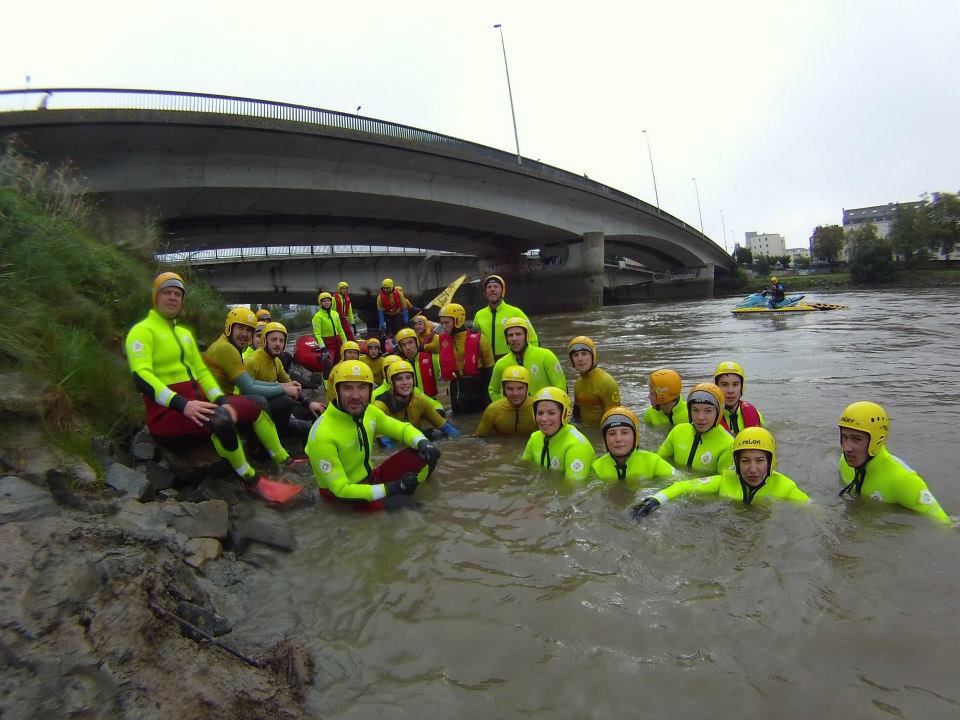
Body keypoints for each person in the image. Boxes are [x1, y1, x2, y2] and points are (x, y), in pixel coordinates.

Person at [126, 273, 302, 503]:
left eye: (177, 294)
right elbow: (142, 377)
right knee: (221, 419)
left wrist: (220, 399)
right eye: (166, 293)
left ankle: (282, 459)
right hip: (169, 415)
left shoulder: (184, 335)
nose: (172, 298)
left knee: (255, 406)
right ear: (155, 297)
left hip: (200, 404)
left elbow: (201, 374)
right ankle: (251, 480)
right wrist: (183, 404)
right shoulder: (141, 332)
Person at [305, 360, 442, 509]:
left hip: (372, 478)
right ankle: (401, 497)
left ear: (370, 390)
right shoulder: (321, 435)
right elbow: (340, 490)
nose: (356, 396)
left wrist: (424, 443)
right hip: (345, 498)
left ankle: (405, 491)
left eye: (362, 387)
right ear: (336, 391)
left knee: (425, 454)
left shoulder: (370, 411)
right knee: (407, 507)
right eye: (348, 388)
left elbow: (402, 430)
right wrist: (393, 488)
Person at [203, 308, 308, 468]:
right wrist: (283, 388)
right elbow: (249, 388)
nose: (245, 334)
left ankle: (272, 451)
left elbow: (252, 384)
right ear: (229, 327)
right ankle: (261, 451)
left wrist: (285, 387)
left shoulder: (233, 348)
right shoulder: (228, 349)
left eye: (249, 330)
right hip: (217, 406)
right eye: (240, 328)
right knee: (263, 402)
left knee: (284, 404)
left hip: (223, 400)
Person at [632, 427, 810, 517]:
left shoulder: (785, 488)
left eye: (760, 461)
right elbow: (683, 486)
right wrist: (655, 500)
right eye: (745, 461)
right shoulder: (725, 480)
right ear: (736, 463)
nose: (753, 469)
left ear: (771, 462)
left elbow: (815, 511)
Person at [837, 401, 949, 524]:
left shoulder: (904, 480)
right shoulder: (843, 462)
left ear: (876, 440)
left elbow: (944, 525)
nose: (847, 448)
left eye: (856, 439)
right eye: (844, 437)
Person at [244, 321, 324, 439]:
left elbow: (290, 384)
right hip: (258, 412)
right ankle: (276, 436)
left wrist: (310, 402)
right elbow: (245, 393)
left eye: (281, 341)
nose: (278, 344)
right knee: (285, 402)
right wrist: (283, 390)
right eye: (274, 340)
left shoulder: (276, 361)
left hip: (274, 406)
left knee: (315, 412)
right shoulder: (250, 361)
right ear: (265, 340)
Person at [424, 303, 495, 414]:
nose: (444, 326)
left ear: (458, 320)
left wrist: (489, 394)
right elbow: (428, 348)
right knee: (458, 414)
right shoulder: (442, 340)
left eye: (446, 322)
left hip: (478, 384)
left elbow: (490, 367)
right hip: (457, 386)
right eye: (442, 323)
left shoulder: (479, 339)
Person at [657, 383, 734, 475]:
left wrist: (682, 486)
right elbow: (658, 461)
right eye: (696, 410)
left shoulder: (729, 445)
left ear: (718, 413)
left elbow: (725, 481)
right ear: (690, 412)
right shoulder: (677, 431)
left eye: (708, 411)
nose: (700, 417)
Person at [373, 360, 460, 439]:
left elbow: (445, 427)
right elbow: (384, 442)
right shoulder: (380, 406)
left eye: (408, 377)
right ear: (392, 383)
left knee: (436, 434)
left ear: (413, 380)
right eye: (399, 379)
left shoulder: (420, 401)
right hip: (396, 443)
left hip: (416, 441)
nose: (405, 383)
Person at [521, 387, 594, 481]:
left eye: (551, 413)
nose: (544, 419)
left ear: (564, 414)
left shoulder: (577, 446)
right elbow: (523, 468)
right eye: (540, 413)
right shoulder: (534, 437)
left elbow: (574, 488)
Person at [488, 317, 565, 403]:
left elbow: (561, 387)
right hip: (517, 413)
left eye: (518, 334)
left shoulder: (546, 356)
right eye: (510, 335)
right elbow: (493, 390)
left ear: (526, 336)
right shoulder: (501, 364)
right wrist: (505, 408)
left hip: (543, 413)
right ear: (506, 339)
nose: (514, 339)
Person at [592, 407, 676, 482]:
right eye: (612, 433)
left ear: (636, 437)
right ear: (604, 439)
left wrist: (657, 498)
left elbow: (685, 484)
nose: (618, 439)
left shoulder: (654, 462)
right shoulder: (596, 467)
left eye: (624, 432)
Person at [472, 274, 539, 360]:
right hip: (488, 362)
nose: (492, 289)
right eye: (489, 287)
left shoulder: (516, 312)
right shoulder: (479, 315)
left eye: (496, 287)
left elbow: (533, 339)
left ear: (502, 291)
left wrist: (528, 359)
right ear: (485, 292)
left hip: (511, 359)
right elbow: (475, 342)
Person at [567, 336, 621, 425]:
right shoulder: (578, 384)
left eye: (584, 353)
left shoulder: (607, 382)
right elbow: (576, 417)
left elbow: (615, 420)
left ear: (593, 356)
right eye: (575, 355)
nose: (580, 359)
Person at [475, 365, 537, 437]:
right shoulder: (493, 410)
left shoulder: (538, 407)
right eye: (510, 389)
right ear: (504, 390)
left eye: (520, 388)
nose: (515, 394)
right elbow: (479, 439)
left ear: (527, 388)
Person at [394, 327, 443, 405]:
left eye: (410, 342)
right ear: (400, 348)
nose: (408, 348)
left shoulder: (432, 357)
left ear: (417, 342)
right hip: (409, 406)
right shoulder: (397, 365)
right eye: (403, 345)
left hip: (431, 404)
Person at [714, 361, 765, 434]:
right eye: (724, 384)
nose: (730, 391)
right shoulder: (706, 418)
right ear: (717, 387)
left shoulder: (756, 414)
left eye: (735, 384)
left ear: (741, 387)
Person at [312, 292, 347, 366]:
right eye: (324, 301)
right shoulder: (317, 317)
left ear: (331, 302)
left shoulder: (335, 314)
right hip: (327, 344)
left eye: (328, 300)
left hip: (338, 341)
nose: (326, 303)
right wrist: (323, 348)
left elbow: (340, 330)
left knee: (341, 363)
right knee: (328, 363)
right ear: (321, 303)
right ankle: (327, 377)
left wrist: (345, 343)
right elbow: (317, 335)